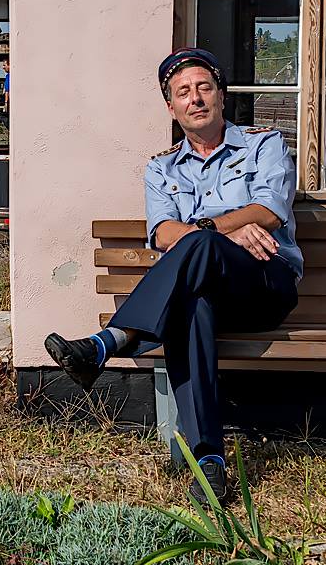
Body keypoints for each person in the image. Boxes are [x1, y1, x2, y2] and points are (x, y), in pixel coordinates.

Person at [42, 47, 301, 503]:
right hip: (206, 291)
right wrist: (227, 233)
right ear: (171, 108)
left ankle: (111, 341)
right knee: (193, 306)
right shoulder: (161, 168)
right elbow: (162, 232)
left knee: (199, 242)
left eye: (204, 88)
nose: (195, 98)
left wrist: (214, 234)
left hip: (264, 281)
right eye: (183, 92)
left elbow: (270, 209)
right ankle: (210, 462)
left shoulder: (265, 145)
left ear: (221, 96)